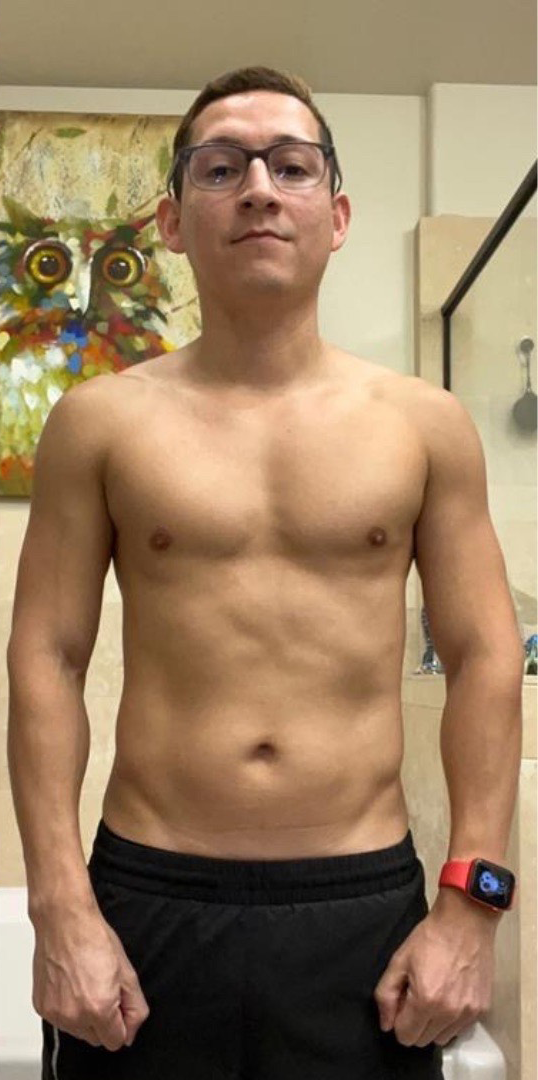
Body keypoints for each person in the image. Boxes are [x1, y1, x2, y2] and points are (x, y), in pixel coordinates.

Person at [7, 65, 523, 1080]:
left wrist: (472, 907)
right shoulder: (99, 423)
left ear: (336, 216)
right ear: (171, 221)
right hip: (151, 903)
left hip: (357, 909)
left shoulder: (423, 425)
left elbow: (484, 657)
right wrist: (59, 907)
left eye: (291, 166)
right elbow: (46, 658)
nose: (257, 188)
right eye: (221, 166)